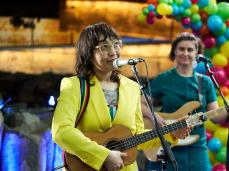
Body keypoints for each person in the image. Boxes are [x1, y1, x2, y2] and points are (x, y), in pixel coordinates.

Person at [51, 22, 190, 171]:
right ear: (89, 53)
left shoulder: (132, 88)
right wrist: (103, 155)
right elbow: (61, 131)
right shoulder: (74, 86)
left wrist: (170, 133)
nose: (113, 52)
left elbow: (136, 136)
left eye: (116, 44)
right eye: (104, 46)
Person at [142, 32, 229, 171]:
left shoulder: (205, 82)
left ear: (197, 53)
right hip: (168, 146)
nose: (185, 53)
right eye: (181, 49)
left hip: (197, 148)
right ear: (174, 51)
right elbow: (140, 103)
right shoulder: (163, 79)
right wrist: (154, 116)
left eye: (190, 49)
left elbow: (215, 117)